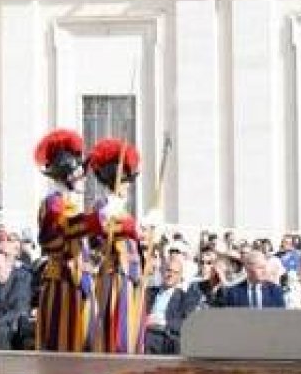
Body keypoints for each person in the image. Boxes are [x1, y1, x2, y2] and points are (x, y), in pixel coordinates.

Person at [33, 128, 103, 351]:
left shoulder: (71, 203)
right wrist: (94, 221)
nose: (84, 179)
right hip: (62, 282)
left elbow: (86, 242)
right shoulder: (54, 203)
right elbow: (51, 240)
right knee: (62, 344)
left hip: (81, 281)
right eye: (80, 174)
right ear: (68, 174)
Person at [85, 137, 145, 354]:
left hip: (130, 275)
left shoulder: (121, 209)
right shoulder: (104, 207)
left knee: (131, 332)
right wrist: (135, 228)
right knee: (117, 335)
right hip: (115, 275)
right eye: (127, 182)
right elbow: (100, 232)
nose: (129, 187)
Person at [144, 255, 200, 354]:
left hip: (166, 337)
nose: (171, 275)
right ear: (162, 271)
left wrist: (162, 321)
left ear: (180, 276)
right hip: (145, 334)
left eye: (175, 272)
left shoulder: (186, 297)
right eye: (168, 270)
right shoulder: (148, 292)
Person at [0, 251, 33, 350]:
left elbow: (19, 309)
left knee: (1, 330)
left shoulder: (21, 279)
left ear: (8, 266)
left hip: (8, 323)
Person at [221, 250, 286, 308]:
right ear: (248, 269)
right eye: (260, 268)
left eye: (265, 267)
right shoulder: (233, 292)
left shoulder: (275, 290)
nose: (265, 271)